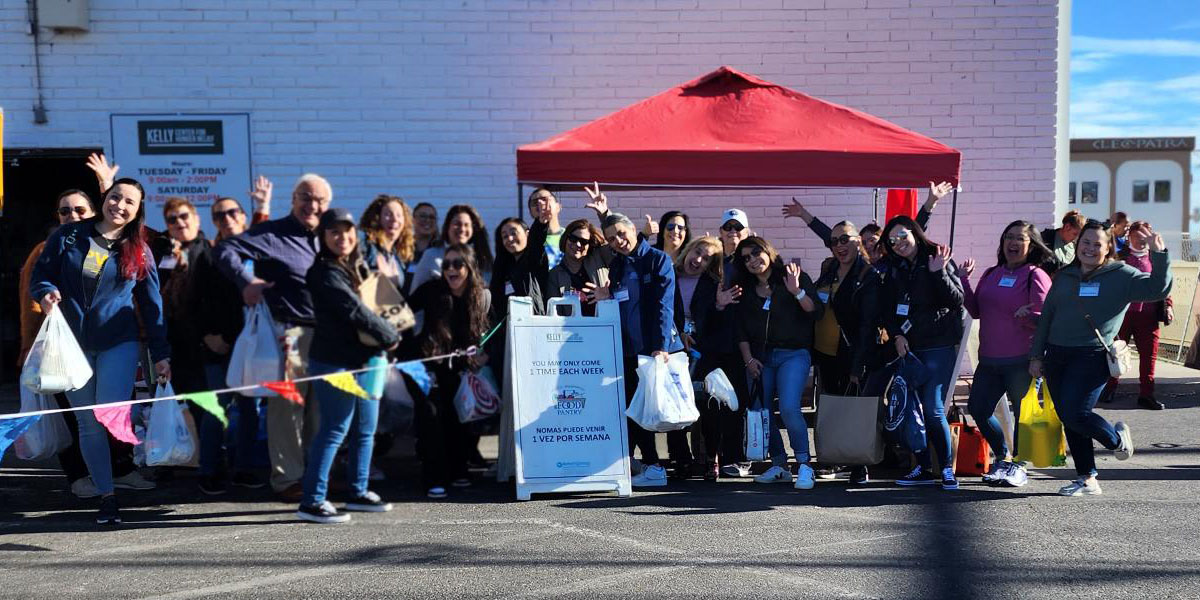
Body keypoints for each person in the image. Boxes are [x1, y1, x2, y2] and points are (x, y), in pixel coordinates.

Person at [30, 177, 171, 525]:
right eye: (115, 197)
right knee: (87, 421)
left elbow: (153, 307)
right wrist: (46, 293)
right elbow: (41, 275)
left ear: (138, 211)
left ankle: (128, 453)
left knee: (109, 411)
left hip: (119, 342)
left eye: (129, 202)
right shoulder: (68, 236)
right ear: (104, 198)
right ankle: (107, 495)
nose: (119, 206)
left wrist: (161, 352)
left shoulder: (140, 249)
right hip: (71, 345)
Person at [1030, 221, 1172, 496]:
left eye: (1097, 244)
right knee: (1068, 417)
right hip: (1056, 355)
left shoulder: (1121, 275)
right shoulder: (1066, 275)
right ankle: (1087, 478)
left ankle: (1116, 440)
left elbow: (1158, 289)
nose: (1090, 248)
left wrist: (1159, 254)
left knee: (1076, 413)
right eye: (1086, 242)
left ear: (1108, 248)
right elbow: (1047, 315)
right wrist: (1036, 355)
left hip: (1092, 355)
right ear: (1077, 244)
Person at [215, 173, 331, 502]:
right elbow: (225, 251)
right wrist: (245, 282)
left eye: (320, 200)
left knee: (321, 410)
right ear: (293, 200)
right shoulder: (273, 234)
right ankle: (288, 479)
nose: (313, 205)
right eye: (306, 197)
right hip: (290, 333)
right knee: (287, 411)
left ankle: (317, 474)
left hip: (327, 336)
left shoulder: (329, 236)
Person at [297, 208, 401, 523]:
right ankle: (312, 501)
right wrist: (389, 335)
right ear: (323, 237)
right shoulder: (323, 272)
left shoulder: (355, 266)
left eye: (347, 231)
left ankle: (358, 492)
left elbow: (379, 300)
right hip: (334, 363)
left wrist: (390, 331)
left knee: (365, 429)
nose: (343, 238)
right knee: (335, 429)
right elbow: (354, 310)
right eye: (334, 232)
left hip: (367, 360)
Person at [593, 200, 684, 488]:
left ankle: (660, 467)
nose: (618, 241)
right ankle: (649, 464)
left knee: (656, 409)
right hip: (629, 351)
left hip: (655, 350)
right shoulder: (618, 265)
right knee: (636, 409)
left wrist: (660, 347)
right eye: (611, 239)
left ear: (634, 230)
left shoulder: (657, 259)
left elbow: (664, 306)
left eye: (621, 233)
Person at [958, 220, 1053, 488]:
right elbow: (976, 310)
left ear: (1031, 245)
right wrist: (964, 280)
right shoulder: (992, 273)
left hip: (1021, 360)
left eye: (1020, 238)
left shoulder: (1035, 275)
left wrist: (1029, 316)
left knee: (1024, 413)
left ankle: (1019, 466)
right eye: (1008, 237)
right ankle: (1002, 455)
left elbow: (1046, 317)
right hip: (989, 359)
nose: (1013, 243)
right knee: (978, 408)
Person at [879, 215, 965, 491]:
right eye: (892, 240)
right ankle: (923, 466)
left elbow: (957, 299)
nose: (898, 244)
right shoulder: (895, 268)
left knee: (933, 408)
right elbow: (889, 308)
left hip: (938, 346)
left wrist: (939, 272)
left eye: (903, 236)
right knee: (909, 409)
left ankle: (947, 469)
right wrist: (897, 335)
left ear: (915, 233)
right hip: (910, 348)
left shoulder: (937, 257)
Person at [732, 237, 823, 490]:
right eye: (746, 258)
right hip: (760, 358)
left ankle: (805, 465)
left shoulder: (792, 276)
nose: (752, 260)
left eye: (756, 252)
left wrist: (797, 292)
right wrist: (748, 360)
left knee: (789, 407)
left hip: (793, 354)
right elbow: (740, 330)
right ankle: (780, 464)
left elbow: (816, 312)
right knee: (761, 411)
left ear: (768, 251)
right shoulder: (745, 289)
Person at [191, 197, 265, 495]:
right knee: (216, 411)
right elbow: (192, 302)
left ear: (244, 217)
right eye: (219, 215)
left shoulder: (260, 254)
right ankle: (209, 470)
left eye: (232, 212)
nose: (226, 218)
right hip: (218, 346)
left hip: (254, 347)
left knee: (250, 409)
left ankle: (244, 468)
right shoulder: (207, 256)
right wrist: (207, 335)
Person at [406, 244, 492, 499]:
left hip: (461, 369)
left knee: (458, 419)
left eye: (457, 264)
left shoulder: (479, 296)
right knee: (432, 420)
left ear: (469, 267)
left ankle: (458, 470)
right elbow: (402, 313)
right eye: (446, 265)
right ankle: (434, 478)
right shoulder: (432, 290)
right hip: (429, 366)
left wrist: (484, 353)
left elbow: (490, 332)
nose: (450, 269)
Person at [797, 219, 876, 484]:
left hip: (851, 353)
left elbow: (867, 326)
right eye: (834, 242)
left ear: (858, 241)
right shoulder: (830, 269)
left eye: (845, 239)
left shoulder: (866, 275)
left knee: (853, 409)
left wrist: (858, 366)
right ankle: (832, 459)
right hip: (824, 352)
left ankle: (858, 465)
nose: (839, 246)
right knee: (830, 408)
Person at [671, 236, 729, 481]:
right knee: (674, 405)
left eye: (706, 259)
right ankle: (682, 460)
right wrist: (677, 334)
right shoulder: (670, 274)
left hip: (702, 352)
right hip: (672, 349)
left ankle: (710, 458)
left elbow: (718, 325)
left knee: (707, 407)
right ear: (689, 248)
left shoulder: (712, 283)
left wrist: (719, 306)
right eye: (698, 252)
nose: (698, 260)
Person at [1101, 220, 1174, 410]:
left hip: (1148, 314)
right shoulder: (1119, 255)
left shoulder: (1155, 256)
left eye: (1146, 234)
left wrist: (1169, 305)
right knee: (1114, 352)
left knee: (1148, 356)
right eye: (1138, 234)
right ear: (1130, 236)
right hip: (1121, 314)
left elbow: (1164, 282)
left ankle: (1146, 394)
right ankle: (1109, 388)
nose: (1142, 238)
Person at [154, 197, 211, 395]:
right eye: (172, 220)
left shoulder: (210, 250)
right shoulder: (160, 253)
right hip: (169, 346)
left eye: (184, 216)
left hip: (205, 344)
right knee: (169, 401)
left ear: (197, 219)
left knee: (207, 407)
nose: (179, 223)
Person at [409, 205, 494, 291]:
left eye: (466, 225)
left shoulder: (482, 258)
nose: (462, 229)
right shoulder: (431, 255)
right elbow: (415, 293)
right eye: (457, 224)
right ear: (447, 227)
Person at [545, 219, 611, 316]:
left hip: (605, 324)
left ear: (590, 245)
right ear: (565, 239)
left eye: (584, 241)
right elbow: (554, 313)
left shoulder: (599, 258)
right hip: (571, 328)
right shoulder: (555, 275)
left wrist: (605, 216)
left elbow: (615, 244)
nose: (578, 244)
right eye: (573, 239)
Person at [358, 194, 415, 292]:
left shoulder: (399, 259)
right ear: (376, 218)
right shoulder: (366, 242)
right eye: (388, 214)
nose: (394, 219)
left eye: (399, 215)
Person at [527, 187, 566, 268]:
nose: (540, 203)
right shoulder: (528, 239)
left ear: (558, 207)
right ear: (531, 212)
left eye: (544, 199)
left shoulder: (570, 236)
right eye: (534, 203)